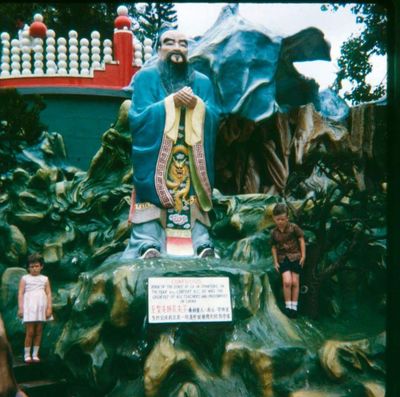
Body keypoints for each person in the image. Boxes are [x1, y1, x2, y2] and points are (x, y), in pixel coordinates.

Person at [123, 29, 220, 259]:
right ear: (159, 49)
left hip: (191, 155)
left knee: (192, 195)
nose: (177, 48)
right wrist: (170, 103)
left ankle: (200, 241)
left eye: (183, 44)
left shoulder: (202, 82)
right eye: (169, 43)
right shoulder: (146, 78)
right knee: (151, 197)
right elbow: (138, 117)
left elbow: (215, 114)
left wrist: (196, 104)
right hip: (157, 155)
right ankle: (148, 240)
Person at [271, 203, 306, 318]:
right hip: (283, 258)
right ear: (274, 219)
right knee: (287, 282)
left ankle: (294, 307)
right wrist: (275, 261)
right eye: (278, 219)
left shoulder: (293, 227)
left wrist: (303, 255)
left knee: (295, 282)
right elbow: (273, 247)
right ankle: (288, 305)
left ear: (287, 218)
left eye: (282, 219)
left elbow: (301, 239)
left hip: (295, 256)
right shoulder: (274, 233)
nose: (280, 222)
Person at [18, 253, 53, 363]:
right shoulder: (25, 278)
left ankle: (35, 354)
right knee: (30, 332)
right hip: (30, 308)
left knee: (38, 331)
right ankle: (27, 354)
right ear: (28, 267)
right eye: (32, 266)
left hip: (41, 308)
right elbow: (20, 293)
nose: (34, 269)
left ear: (41, 266)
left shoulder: (45, 279)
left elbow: (48, 294)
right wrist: (21, 308)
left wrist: (49, 308)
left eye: (37, 266)